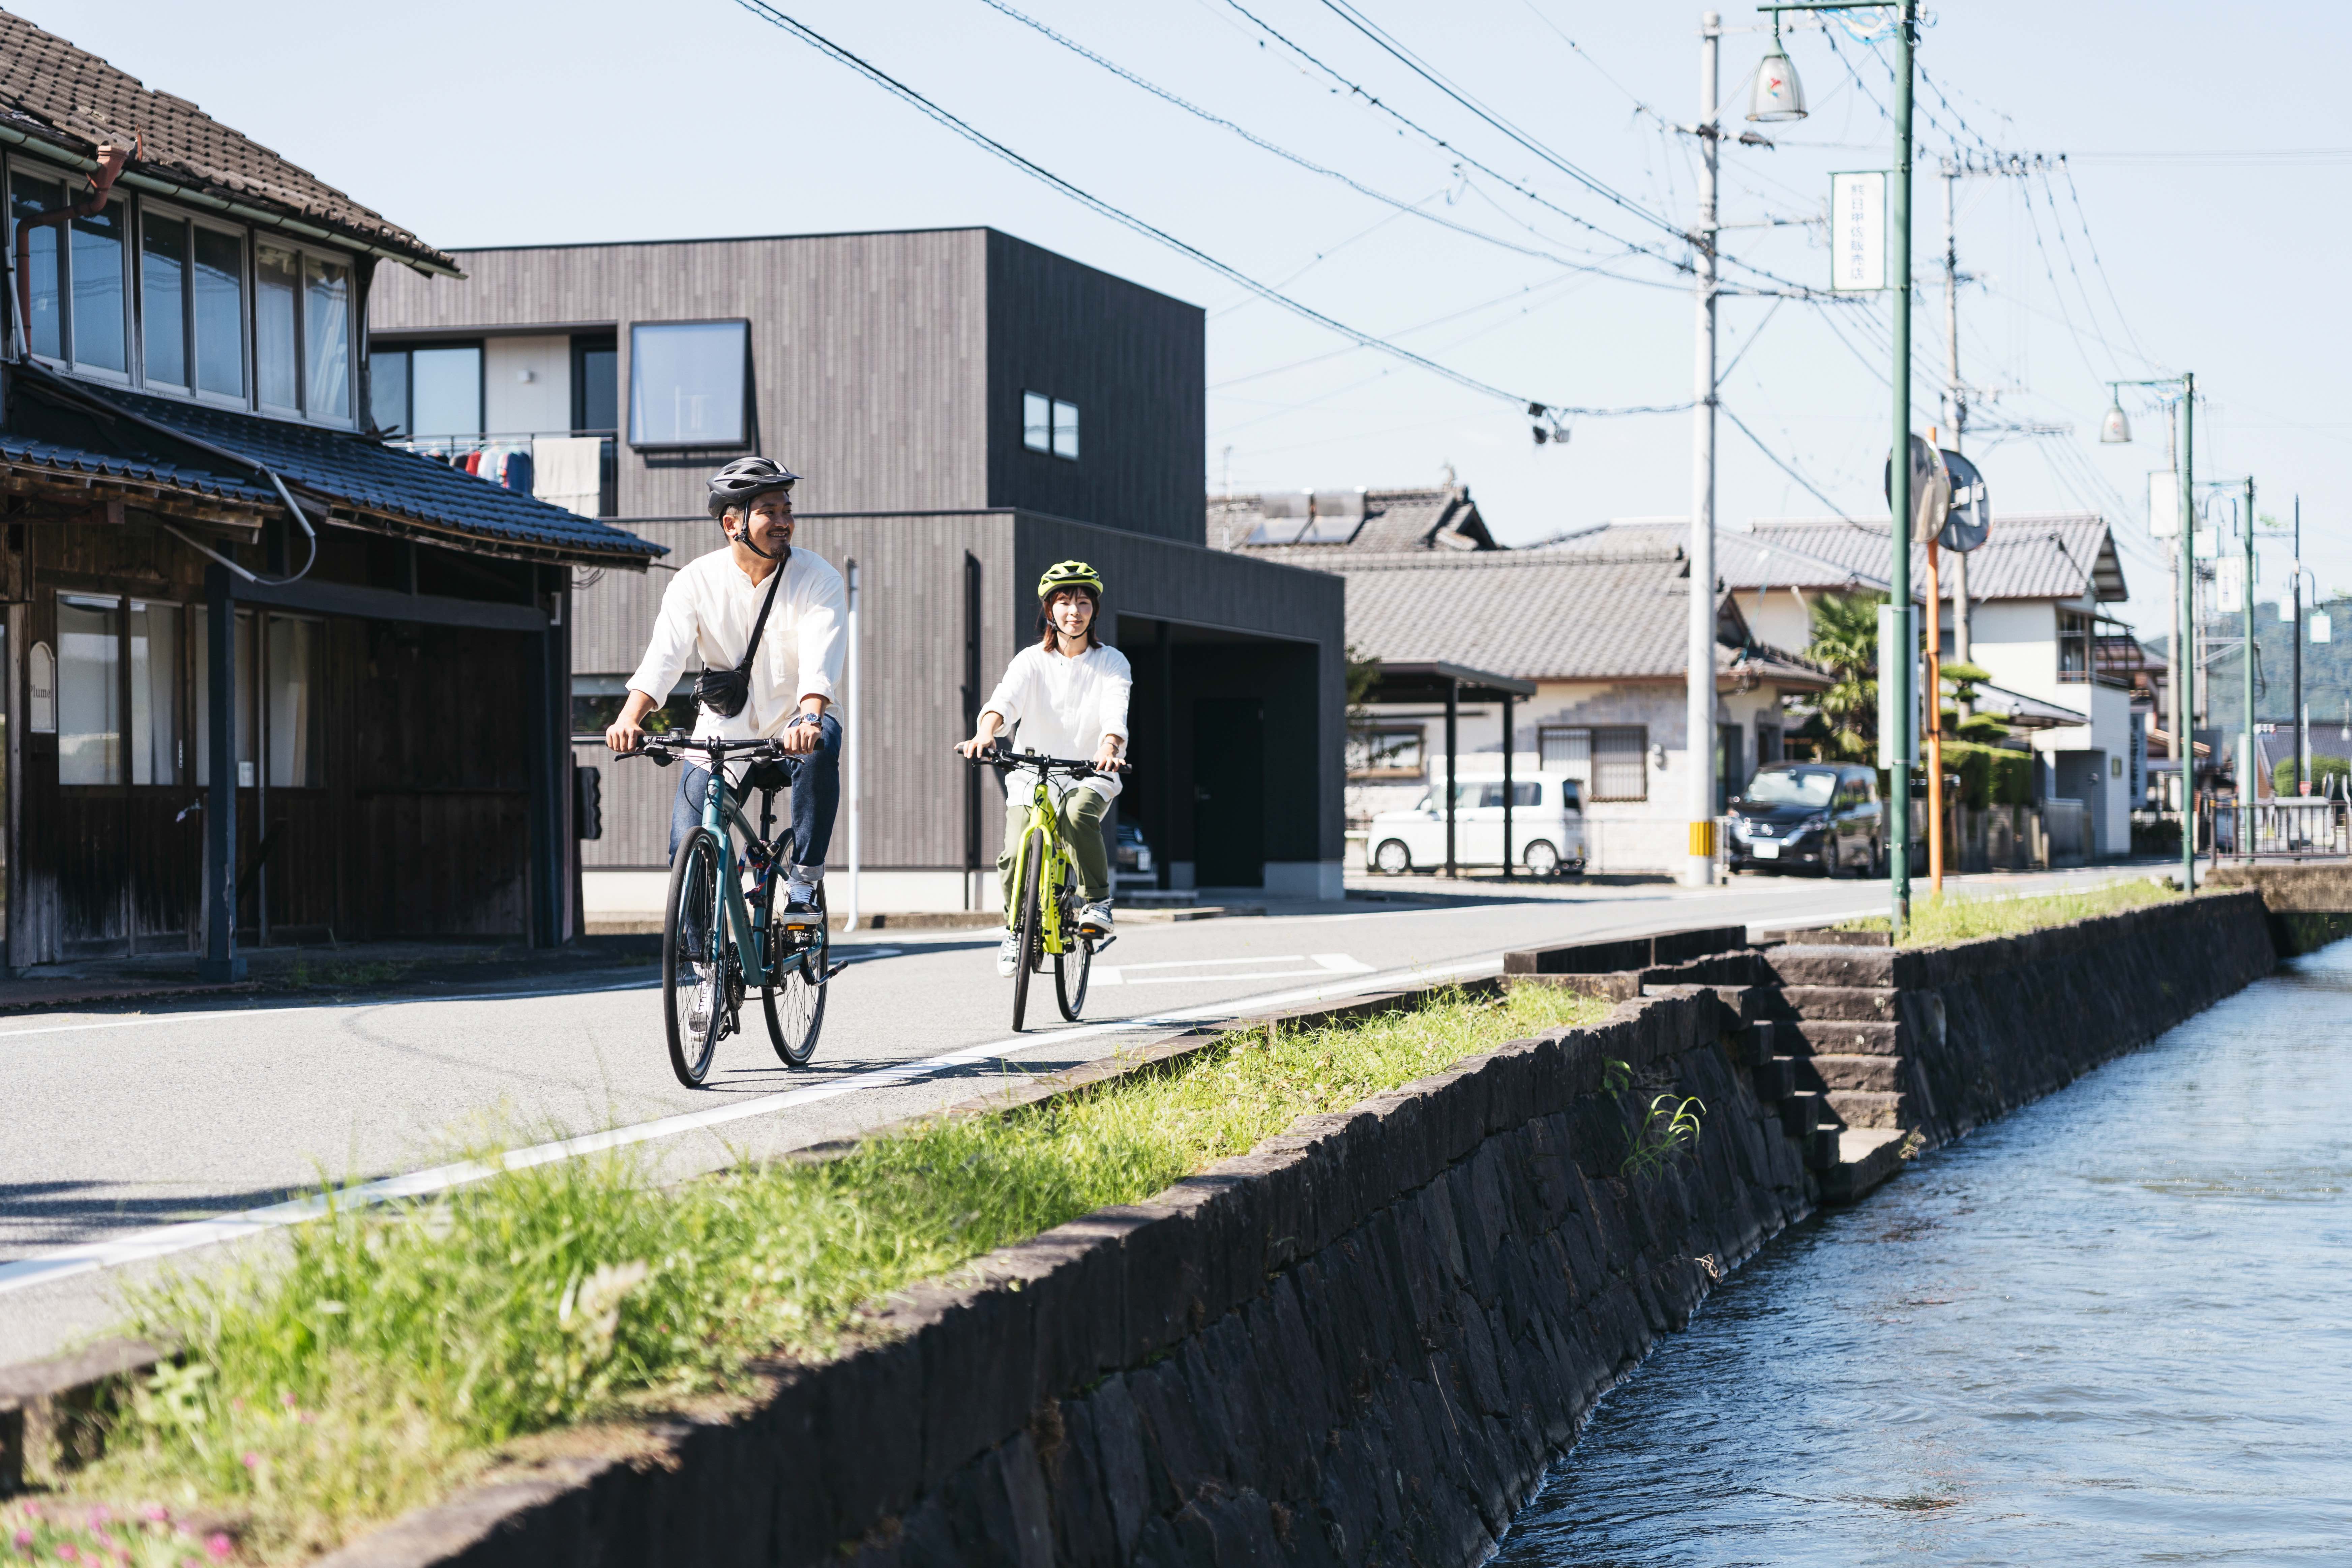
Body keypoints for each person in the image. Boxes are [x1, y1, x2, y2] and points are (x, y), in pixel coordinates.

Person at [605, 456, 845, 942]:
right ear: (732, 524)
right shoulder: (695, 580)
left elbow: (820, 657)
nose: (783, 521)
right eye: (769, 511)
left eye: (787, 509)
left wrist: (810, 716)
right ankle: (702, 966)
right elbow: (663, 658)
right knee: (686, 840)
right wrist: (630, 718)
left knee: (820, 746)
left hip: (795, 722)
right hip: (723, 729)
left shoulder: (818, 577)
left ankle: (803, 883)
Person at [957, 561, 1130, 977]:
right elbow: (1004, 701)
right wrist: (985, 733)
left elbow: (1115, 710)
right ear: (1050, 610)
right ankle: (1015, 929)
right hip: (1031, 772)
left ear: (1094, 611)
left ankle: (1097, 901)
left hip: (1090, 771)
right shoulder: (1031, 661)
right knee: (1014, 850)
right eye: (1065, 602)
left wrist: (1109, 747)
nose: (1074, 611)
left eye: (1084, 603)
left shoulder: (1111, 662)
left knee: (1076, 815)